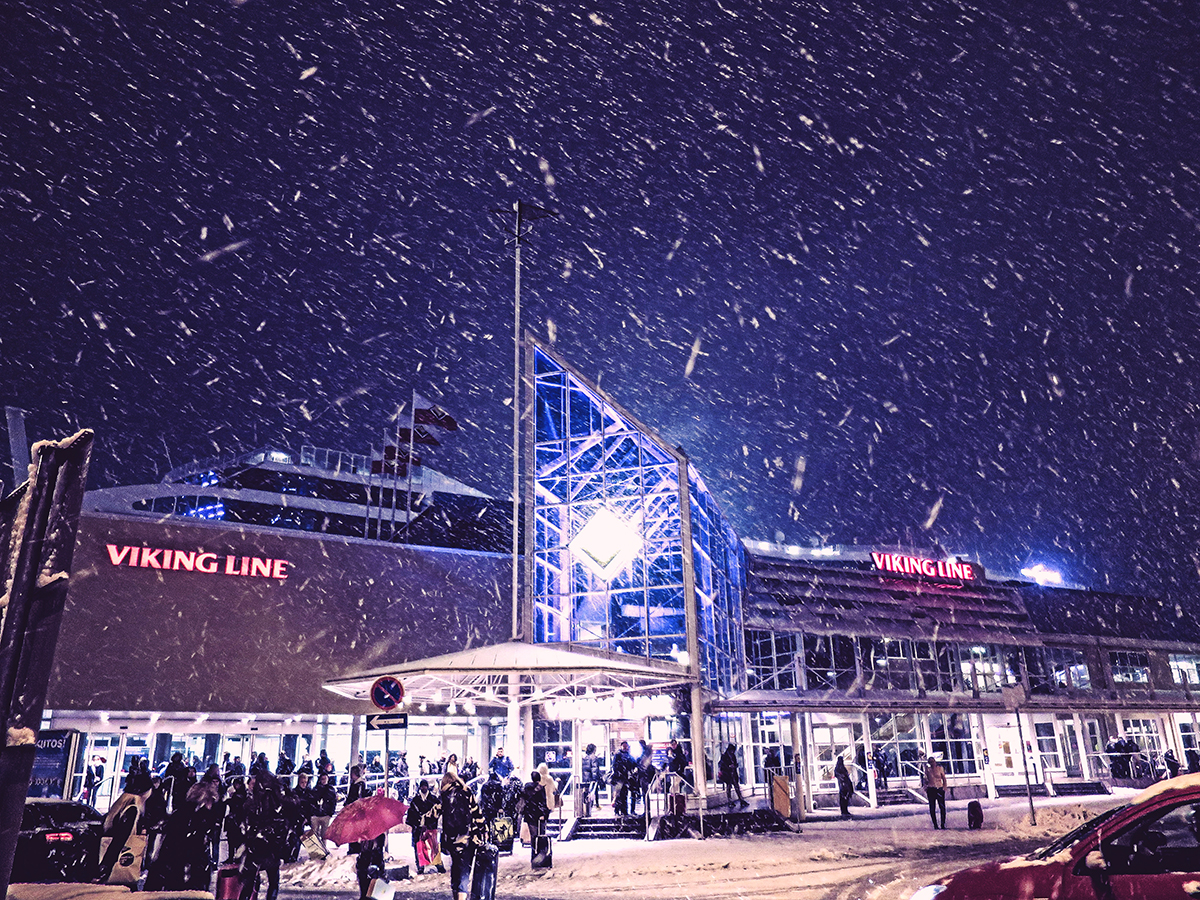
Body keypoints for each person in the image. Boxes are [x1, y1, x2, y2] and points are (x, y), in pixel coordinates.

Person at [239, 773, 289, 900]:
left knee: (252, 878)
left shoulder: (259, 800)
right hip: (268, 843)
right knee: (271, 879)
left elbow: (252, 818)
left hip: (261, 843)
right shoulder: (274, 798)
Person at [440, 770, 485, 900]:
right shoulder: (467, 792)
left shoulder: (444, 795)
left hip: (452, 839)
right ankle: (462, 896)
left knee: (455, 867)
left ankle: (455, 894)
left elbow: (435, 813)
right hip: (468, 837)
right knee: (465, 869)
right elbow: (477, 812)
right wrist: (483, 829)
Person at [404, 778, 443, 875]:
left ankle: (437, 864)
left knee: (433, 846)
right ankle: (420, 866)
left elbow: (438, 811)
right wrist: (417, 824)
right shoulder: (415, 800)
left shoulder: (433, 799)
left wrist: (430, 822)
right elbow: (411, 815)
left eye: (425, 786)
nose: (424, 788)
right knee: (419, 847)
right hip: (418, 828)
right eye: (422, 786)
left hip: (430, 827)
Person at [521, 771, 550, 858]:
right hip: (538, 814)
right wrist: (544, 814)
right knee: (541, 835)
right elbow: (543, 802)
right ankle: (541, 854)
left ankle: (533, 854)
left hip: (529, 814)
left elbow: (523, 799)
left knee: (533, 836)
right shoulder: (540, 788)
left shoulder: (526, 788)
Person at [609, 741, 637, 816]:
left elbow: (632, 764)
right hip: (620, 778)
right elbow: (615, 766)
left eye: (626, 746)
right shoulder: (618, 755)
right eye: (624, 746)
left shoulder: (628, 755)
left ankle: (623, 810)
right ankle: (617, 810)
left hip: (625, 778)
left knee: (624, 794)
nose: (625, 748)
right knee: (619, 795)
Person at [311, 771, 337, 850]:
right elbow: (312, 800)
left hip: (325, 814)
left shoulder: (331, 790)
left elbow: (333, 802)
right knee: (314, 835)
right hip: (316, 814)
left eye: (325, 779)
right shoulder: (316, 789)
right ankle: (316, 851)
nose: (324, 780)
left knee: (324, 834)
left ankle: (322, 850)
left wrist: (330, 813)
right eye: (322, 779)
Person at [923, 754, 947, 829]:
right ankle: (935, 824)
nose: (932, 763)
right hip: (931, 789)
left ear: (935, 762)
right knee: (932, 807)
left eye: (933, 762)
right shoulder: (928, 770)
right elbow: (925, 779)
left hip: (939, 788)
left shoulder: (940, 769)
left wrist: (944, 787)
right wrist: (926, 788)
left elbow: (944, 778)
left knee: (942, 807)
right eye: (930, 762)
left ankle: (943, 824)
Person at [580, 744, 602, 814]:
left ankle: (586, 806)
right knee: (594, 792)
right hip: (591, 777)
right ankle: (595, 805)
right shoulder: (594, 757)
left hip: (585, 777)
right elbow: (594, 768)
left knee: (587, 792)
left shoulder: (585, 757)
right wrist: (595, 778)